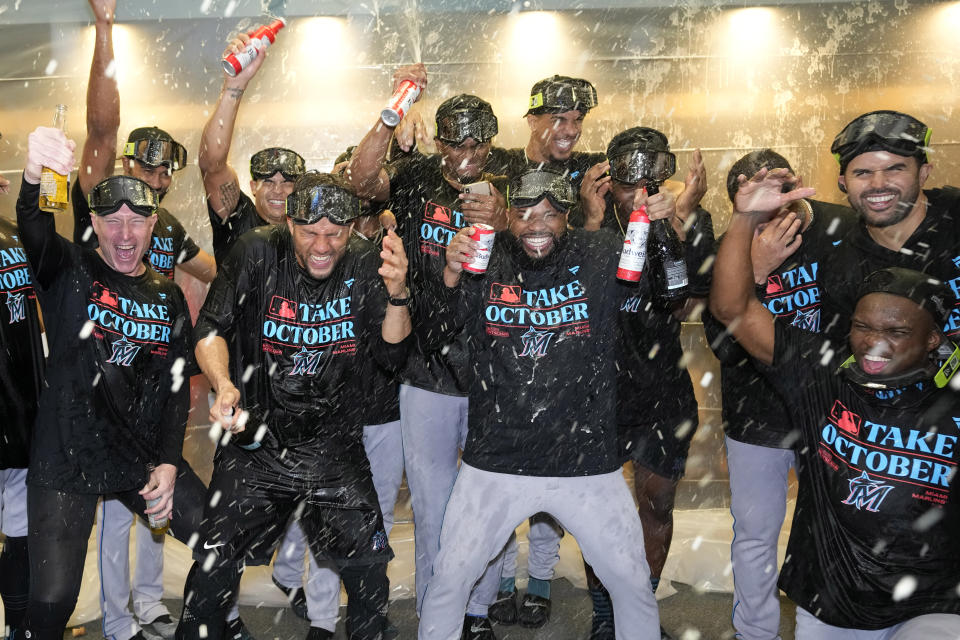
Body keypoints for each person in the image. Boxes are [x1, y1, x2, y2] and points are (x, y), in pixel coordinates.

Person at [711, 166, 960, 639]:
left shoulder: (952, 399)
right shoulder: (822, 377)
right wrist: (744, 222)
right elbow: (732, 311)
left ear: (933, 340)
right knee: (754, 532)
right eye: (863, 327)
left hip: (932, 603)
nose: (874, 344)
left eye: (896, 332)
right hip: (835, 603)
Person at [417, 169, 661, 640]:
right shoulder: (484, 258)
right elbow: (436, 334)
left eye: (550, 214)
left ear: (567, 217)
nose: (536, 226)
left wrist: (665, 226)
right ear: (508, 215)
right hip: (496, 460)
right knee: (448, 580)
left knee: (631, 585)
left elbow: (664, 298)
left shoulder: (602, 252)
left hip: (586, 462)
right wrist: (448, 271)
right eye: (526, 214)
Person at [176, 172, 412, 640]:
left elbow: (392, 356)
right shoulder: (255, 252)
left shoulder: (367, 262)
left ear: (350, 228)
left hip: (334, 450)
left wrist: (399, 293)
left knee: (369, 577)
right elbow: (209, 329)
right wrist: (223, 384)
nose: (322, 245)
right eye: (310, 232)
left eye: (335, 233)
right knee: (212, 569)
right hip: (257, 444)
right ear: (289, 222)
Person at [15, 126, 207, 640]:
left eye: (137, 222)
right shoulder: (67, 268)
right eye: (113, 221)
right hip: (68, 454)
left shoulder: (166, 297)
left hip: (137, 454)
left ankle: (198, 629)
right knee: (52, 605)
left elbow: (174, 391)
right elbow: (31, 224)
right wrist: (33, 177)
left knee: (218, 540)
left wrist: (167, 461)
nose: (125, 235)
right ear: (94, 224)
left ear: (152, 226)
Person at [348, 65, 509, 639]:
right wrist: (394, 108)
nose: (467, 154)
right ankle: (437, 615)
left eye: (477, 142)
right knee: (435, 503)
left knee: (491, 499)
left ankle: (478, 612)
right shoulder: (415, 176)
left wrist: (505, 217)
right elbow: (362, 180)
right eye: (456, 142)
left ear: (490, 140)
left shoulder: (510, 177)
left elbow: (550, 227)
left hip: (495, 366)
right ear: (438, 141)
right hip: (425, 366)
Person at [72, 4, 216, 638]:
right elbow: (100, 133)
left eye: (163, 172)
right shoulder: (102, 207)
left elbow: (215, 270)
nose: (152, 179)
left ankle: (151, 603)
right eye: (144, 166)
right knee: (115, 512)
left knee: (158, 493)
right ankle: (115, 618)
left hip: (154, 388)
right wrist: (105, 31)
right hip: (97, 390)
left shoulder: (168, 226)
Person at [701, 149, 857, 640]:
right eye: (753, 203)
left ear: (800, 184)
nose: (772, 207)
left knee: (839, 528)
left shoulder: (844, 229)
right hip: (757, 413)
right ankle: (755, 632)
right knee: (755, 535)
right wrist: (755, 271)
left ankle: (836, 625)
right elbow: (723, 346)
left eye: (780, 192)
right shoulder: (731, 246)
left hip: (833, 409)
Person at [565, 127, 712, 640]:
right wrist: (591, 221)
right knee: (596, 515)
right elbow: (570, 302)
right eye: (629, 180)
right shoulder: (586, 222)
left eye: (654, 177)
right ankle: (606, 616)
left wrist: (679, 222)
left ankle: (638, 611)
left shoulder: (687, 219)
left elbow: (690, 302)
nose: (642, 192)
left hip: (661, 389)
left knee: (657, 505)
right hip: (598, 392)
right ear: (608, 180)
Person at [822, 110, 960, 342]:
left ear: (923, 174)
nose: (878, 184)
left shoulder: (955, 214)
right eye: (862, 173)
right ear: (844, 183)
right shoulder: (841, 267)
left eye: (895, 169)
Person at [198, 30, 306, 264]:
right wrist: (234, 86)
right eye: (268, 181)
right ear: (253, 186)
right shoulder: (237, 215)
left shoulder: (310, 231)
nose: (278, 190)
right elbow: (212, 164)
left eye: (287, 182)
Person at [0, 157, 45, 640]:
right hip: (18, 409)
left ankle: (19, 627)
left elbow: (39, 319)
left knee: (19, 532)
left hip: (21, 407)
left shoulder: (15, 236)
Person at [485, 74, 606, 228]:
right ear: (533, 122)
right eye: (558, 120)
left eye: (578, 119)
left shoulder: (590, 170)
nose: (571, 130)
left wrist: (593, 219)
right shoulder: (497, 165)